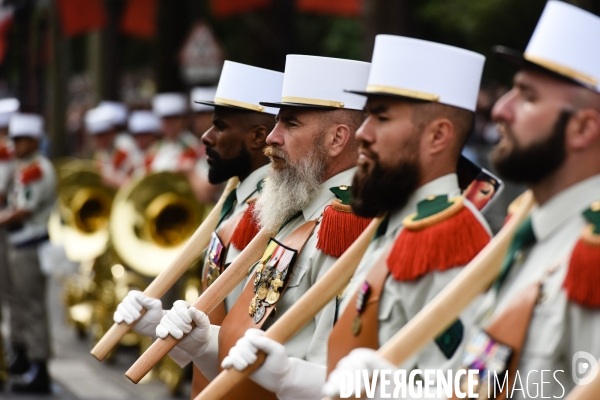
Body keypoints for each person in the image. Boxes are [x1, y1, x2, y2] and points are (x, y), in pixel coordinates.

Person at [324, 2, 600, 399]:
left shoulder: (590, 255)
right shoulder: (527, 237)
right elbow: (484, 384)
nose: (501, 109)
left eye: (527, 96)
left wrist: (396, 391)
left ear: (584, 127)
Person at [222, 35, 495, 400]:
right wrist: (202, 341)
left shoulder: (449, 237)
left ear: (438, 135)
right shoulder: (387, 226)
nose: (363, 133)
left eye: (380, 117)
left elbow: (474, 385)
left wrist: (384, 390)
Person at [155, 55, 371, 400]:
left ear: (337, 139)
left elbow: (328, 376)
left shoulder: (345, 224)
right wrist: (203, 341)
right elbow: (251, 359)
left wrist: (285, 375)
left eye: (290, 124)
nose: (272, 137)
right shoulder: (292, 210)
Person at [112, 61, 283, 396]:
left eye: (219, 126)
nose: (205, 136)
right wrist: (161, 324)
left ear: (257, 137)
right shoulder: (236, 198)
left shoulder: (268, 212)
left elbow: (250, 328)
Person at [2, 113, 56, 394]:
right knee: (18, 304)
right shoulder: (25, 166)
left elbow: (24, 210)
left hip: (30, 245)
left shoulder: (37, 168)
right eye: (15, 139)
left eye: (21, 140)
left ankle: (40, 366)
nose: (16, 145)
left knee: (32, 308)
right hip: (18, 244)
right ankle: (24, 357)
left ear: (34, 140)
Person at [85, 104, 137, 188]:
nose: (98, 140)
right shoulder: (104, 151)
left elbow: (130, 182)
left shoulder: (124, 146)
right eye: (96, 135)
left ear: (112, 132)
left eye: (102, 135)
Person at [147, 92, 201, 173]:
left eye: (174, 119)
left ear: (183, 120)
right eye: (166, 119)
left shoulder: (192, 144)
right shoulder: (156, 147)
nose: (170, 123)